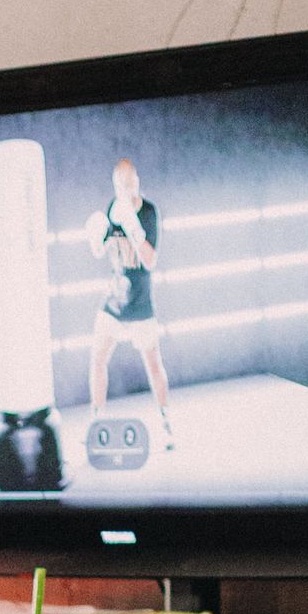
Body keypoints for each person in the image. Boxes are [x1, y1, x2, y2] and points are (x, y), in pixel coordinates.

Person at [84, 158, 175, 450]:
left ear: (137, 180)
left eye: (131, 181)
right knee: (97, 359)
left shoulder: (148, 212)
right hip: (114, 303)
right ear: (116, 185)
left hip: (141, 306)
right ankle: (96, 421)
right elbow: (100, 250)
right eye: (121, 184)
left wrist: (133, 227)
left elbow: (149, 260)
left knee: (154, 364)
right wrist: (95, 236)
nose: (127, 187)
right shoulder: (113, 209)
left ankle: (165, 422)